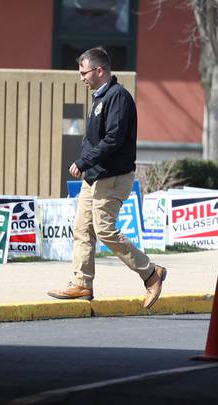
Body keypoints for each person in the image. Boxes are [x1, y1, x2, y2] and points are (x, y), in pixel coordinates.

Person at [47, 47, 167, 309]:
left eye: (84, 72)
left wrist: (83, 161)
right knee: (82, 228)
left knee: (104, 229)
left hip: (112, 176)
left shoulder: (118, 98)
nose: (81, 78)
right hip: (95, 176)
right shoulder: (100, 98)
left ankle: (150, 272)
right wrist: (87, 164)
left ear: (99, 70)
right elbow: (93, 139)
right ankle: (81, 284)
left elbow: (113, 139)